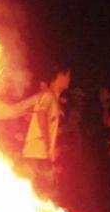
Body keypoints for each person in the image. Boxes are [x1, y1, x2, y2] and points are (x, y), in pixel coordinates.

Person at [20, 65, 71, 197]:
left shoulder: (52, 97)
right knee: (45, 193)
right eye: (68, 75)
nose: (69, 79)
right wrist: (48, 144)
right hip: (38, 153)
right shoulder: (48, 96)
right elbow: (41, 114)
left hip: (39, 153)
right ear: (60, 75)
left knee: (40, 194)